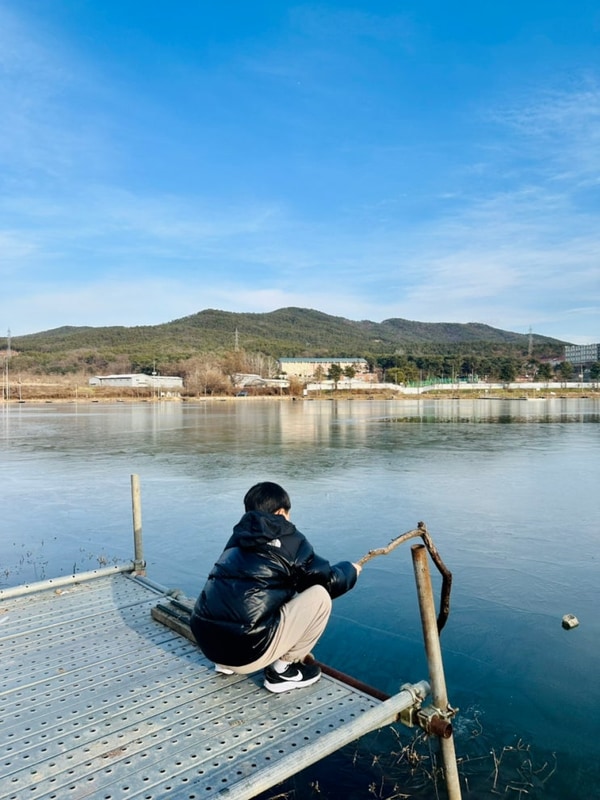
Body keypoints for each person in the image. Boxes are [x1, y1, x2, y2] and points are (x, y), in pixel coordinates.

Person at [190, 481, 361, 693]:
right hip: (246, 653)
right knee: (319, 596)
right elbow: (328, 582)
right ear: (281, 512)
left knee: (240, 588)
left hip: (209, 645)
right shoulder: (291, 540)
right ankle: (282, 671)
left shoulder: (237, 537)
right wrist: (350, 570)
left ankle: (224, 664)